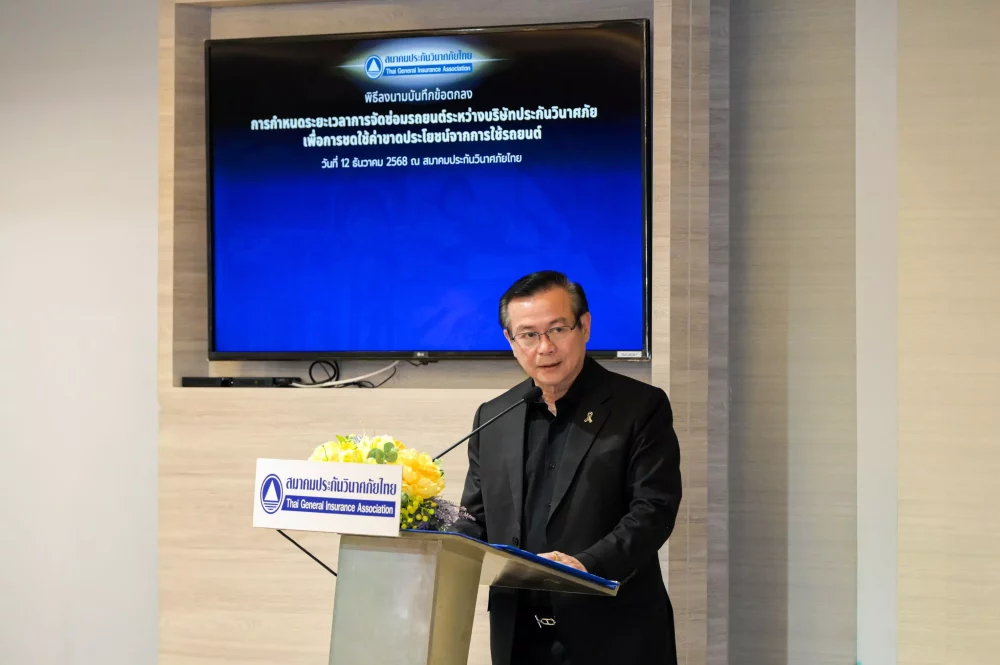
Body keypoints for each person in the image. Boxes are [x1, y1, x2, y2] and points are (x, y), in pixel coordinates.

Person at [454, 270, 683, 665]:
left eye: (557, 329)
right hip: (519, 637)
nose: (545, 347)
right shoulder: (493, 417)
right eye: (528, 335)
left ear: (585, 326)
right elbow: (474, 518)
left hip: (613, 634)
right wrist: (430, 536)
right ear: (511, 341)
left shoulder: (639, 407)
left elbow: (653, 511)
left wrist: (586, 567)